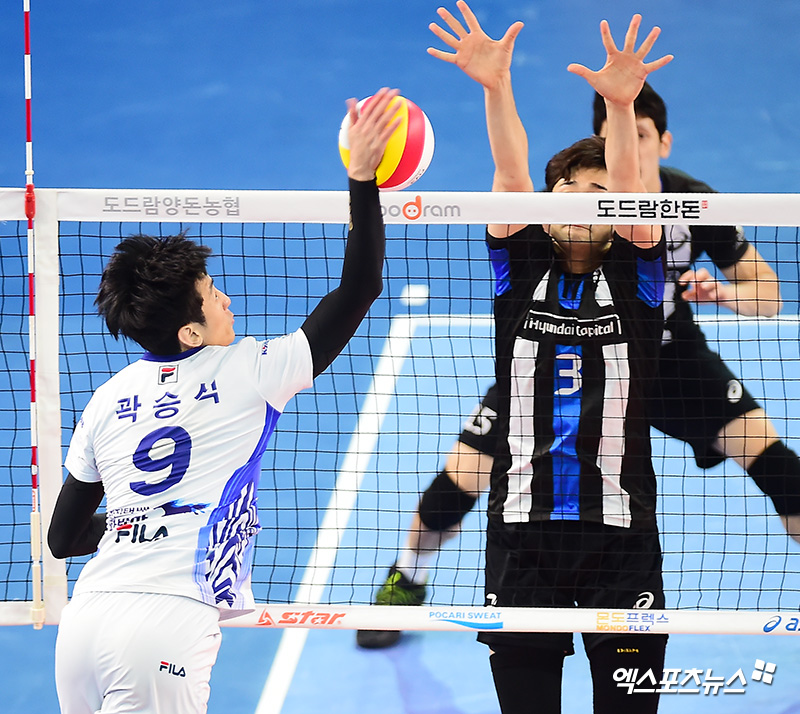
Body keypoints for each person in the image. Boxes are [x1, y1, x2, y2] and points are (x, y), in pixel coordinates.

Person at [357, 5, 800, 651]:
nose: (632, 154)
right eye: (622, 138)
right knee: (461, 477)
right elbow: (514, 182)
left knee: (781, 468)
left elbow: (769, 296)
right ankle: (407, 574)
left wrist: (726, 294)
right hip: (558, 363)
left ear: (663, 142)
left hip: (669, 360)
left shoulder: (692, 204)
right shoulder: (570, 213)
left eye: (643, 136)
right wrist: (498, 89)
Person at [47, 87, 401, 714]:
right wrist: (362, 178)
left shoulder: (106, 399)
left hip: (84, 622)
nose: (227, 301)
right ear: (190, 332)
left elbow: (63, 538)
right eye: (214, 296)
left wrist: (140, 524)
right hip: (165, 628)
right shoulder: (252, 371)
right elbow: (360, 286)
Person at [384, 5, 670, 712]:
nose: (581, 203)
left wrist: (621, 105)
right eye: (567, 190)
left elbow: (633, 199)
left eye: (598, 195)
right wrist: (496, 86)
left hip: (622, 542)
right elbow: (511, 178)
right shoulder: (519, 271)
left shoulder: (637, 279)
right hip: (521, 540)